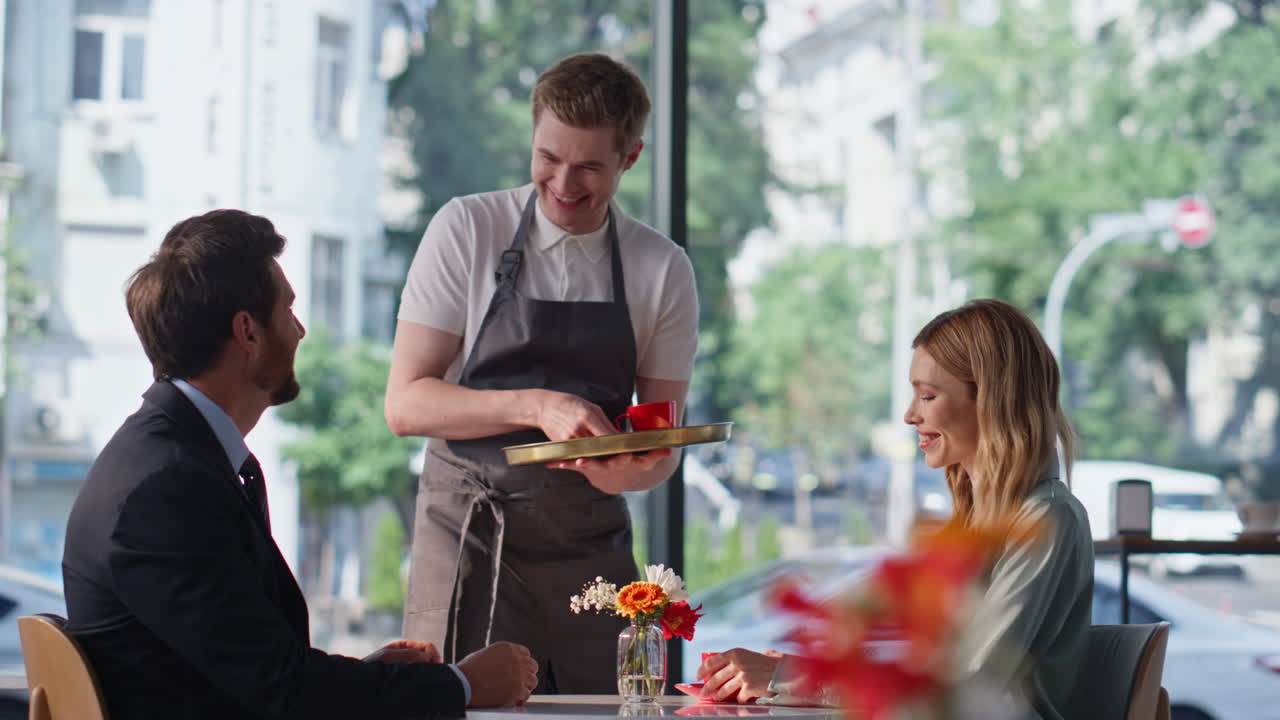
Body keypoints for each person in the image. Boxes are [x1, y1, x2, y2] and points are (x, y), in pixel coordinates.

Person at [62, 209, 538, 720]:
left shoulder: (172, 461)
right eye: (288, 311)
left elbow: (252, 672)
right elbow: (285, 691)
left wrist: (378, 676)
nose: (300, 330)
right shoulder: (162, 491)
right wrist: (461, 684)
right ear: (247, 331)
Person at [384, 51, 699, 693]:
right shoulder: (467, 228)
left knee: (607, 705)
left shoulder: (660, 268)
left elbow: (662, 446)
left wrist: (627, 469)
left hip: (588, 551)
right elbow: (406, 405)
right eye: (547, 158)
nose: (562, 182)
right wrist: (537, 406)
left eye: (588, 166)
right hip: (469, 534)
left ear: (630, 157)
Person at [698, 299, 1094, 720]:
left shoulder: (1045, 518)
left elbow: (966, 683)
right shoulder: (982, 520)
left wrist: (789, 677)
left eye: (928, 395)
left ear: (991, 400)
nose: (910, 415)